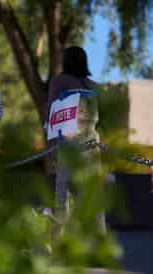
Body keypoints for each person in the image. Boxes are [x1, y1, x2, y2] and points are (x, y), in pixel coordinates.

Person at [47, 46, 103, 229]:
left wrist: (51, 147)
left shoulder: (59, 81)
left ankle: (60, 243)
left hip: (68, 144)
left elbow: (52, 112)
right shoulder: (93, 86)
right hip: (92, 145)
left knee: (63, 198)